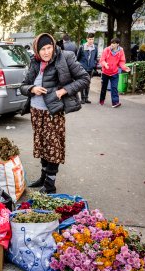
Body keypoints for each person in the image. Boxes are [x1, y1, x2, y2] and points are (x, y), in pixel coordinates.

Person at [20, 33, 90, 194]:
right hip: (36, 112)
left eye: (49, 47)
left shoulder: (65, 57)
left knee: (53, 148)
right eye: (42, 49)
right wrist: (32, 89)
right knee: (43, 146)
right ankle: (44, 178)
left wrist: (63, 91)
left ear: (53, 46)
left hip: (53, 112)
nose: (46, 52)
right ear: (36, 50)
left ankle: (50, 185)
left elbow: (84, 78)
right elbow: (23, 85)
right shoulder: (35, 61)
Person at [99, 38, 130, 108]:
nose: (112, 44)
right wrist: (105, 64)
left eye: (114, 43)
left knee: (114, 87)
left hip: (114, 72)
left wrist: (124, 67)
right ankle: (102, 99)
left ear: (117, 44)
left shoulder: (121, 51)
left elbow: (121, 61)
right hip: (105, 72)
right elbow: (102, 60)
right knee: (104, 87)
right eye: (111, 43)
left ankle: (115, 102)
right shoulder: (106, 50)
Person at [76, 33, 98, 104]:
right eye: (90, 39)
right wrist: (80, 65)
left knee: (88, 84)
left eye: (92, 39)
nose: (91, 40)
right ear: (87, 39)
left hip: (90, 69)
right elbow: (77, 58)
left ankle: (86, 98)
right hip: (82, 68)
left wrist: (93, 64)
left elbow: (95, 58)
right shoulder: (82, 47)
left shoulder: (95, 48)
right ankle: (82, 98)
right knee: (83, 83)